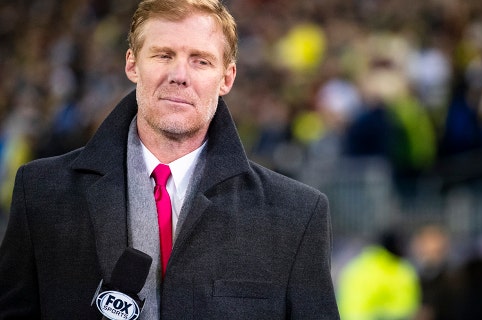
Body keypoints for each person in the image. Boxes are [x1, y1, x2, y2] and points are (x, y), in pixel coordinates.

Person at [0, 0, 340, 318]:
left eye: (200, 60)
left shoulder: (297, 215)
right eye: (163, 55)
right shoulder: (42, 193)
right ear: (132, 64)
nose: (179, 75)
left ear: (227, 78)